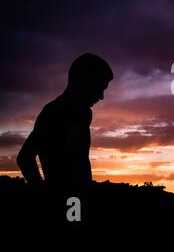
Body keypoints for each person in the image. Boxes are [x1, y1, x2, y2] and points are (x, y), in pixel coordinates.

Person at [16, 53, 113, 224]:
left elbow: (25, 157)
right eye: (100, 87)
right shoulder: (65, 111)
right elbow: (25, 158)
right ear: (86, 77)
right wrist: (46, 196)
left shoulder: (58, 111)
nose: (101, 96)